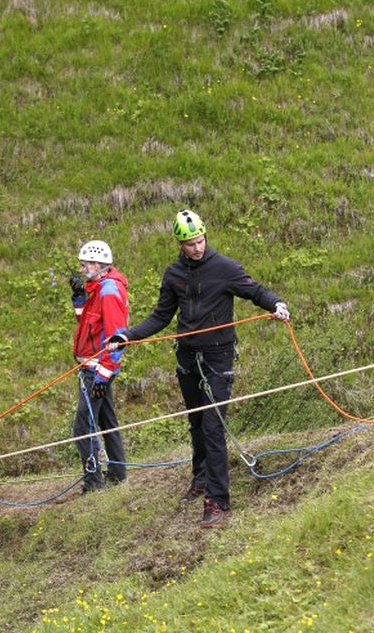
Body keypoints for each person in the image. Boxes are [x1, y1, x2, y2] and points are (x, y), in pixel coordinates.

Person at [107, 209, 290, 528]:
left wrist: (276, 304)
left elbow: (255, 290)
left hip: (218, 358)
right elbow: (160, 317)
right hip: (187, 358)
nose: (198, 247)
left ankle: (218, 501)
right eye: (191, 243)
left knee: (213, 426)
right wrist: (127, 335)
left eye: (201, 240)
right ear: (180, 243)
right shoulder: (174, 273)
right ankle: (201, 479)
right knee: (196, 422)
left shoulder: (225, 268)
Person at [69, 240, 129, 493]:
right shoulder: (98, 289)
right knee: (106, 419)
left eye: (85, 266)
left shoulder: (108, 291)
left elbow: (117, 336)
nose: (82, 270)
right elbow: (87, 323)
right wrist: (79, 297)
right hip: (93, 367)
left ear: (98, 265)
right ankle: (117, 472)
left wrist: (103, 376)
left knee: (83, 427)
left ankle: (93, 483)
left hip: (97, 370)